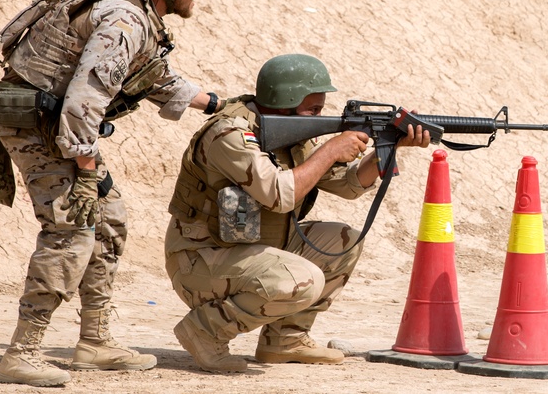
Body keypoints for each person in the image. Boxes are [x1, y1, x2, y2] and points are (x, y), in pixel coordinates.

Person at [0, 0, 230, 386]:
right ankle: (22, 352)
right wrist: (85, 169)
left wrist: (220, 103)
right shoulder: (124, 21)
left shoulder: (136, 5)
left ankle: (94, 341)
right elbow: (83, 103)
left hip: (59, 126)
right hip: (42, 129)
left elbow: (153, 77)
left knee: (109, 217)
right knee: (71, 228)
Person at [165, 53, 431, 373]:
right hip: (201, 259)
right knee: (303, 279)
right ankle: (204, 330)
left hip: (249, 250)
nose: (320, 116)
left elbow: (347, 185)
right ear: (286, 101)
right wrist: (331, 149)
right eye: (314, 109)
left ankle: (285, 339)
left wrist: (390, 147)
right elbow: (280, 195)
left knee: (342, 240)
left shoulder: (289, 134)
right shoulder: (229, 134)